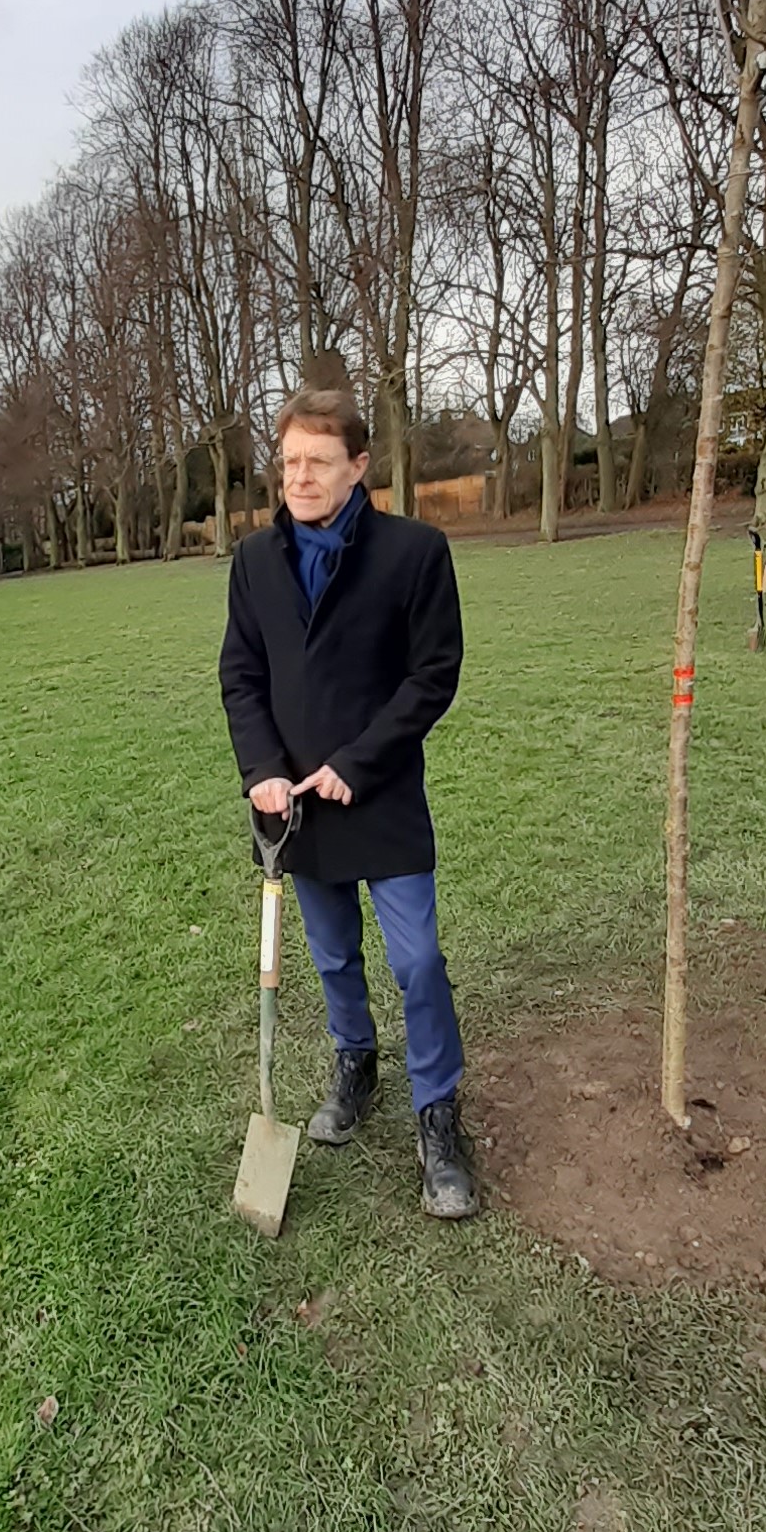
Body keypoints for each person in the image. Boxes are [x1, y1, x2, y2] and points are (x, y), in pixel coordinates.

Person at [217, 386, 475, 1219]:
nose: (299, 477)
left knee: (417, 961)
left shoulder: (413, 552)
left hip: (382, 794)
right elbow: (241, 675)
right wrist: (260, 766)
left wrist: (358, 763)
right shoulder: (255, 562)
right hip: (297, 807)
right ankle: (354, 1065)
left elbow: (432, 675)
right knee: (331, 959)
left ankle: (436, 1112)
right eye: (288, 462)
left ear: (358, 467)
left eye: (317, 462)